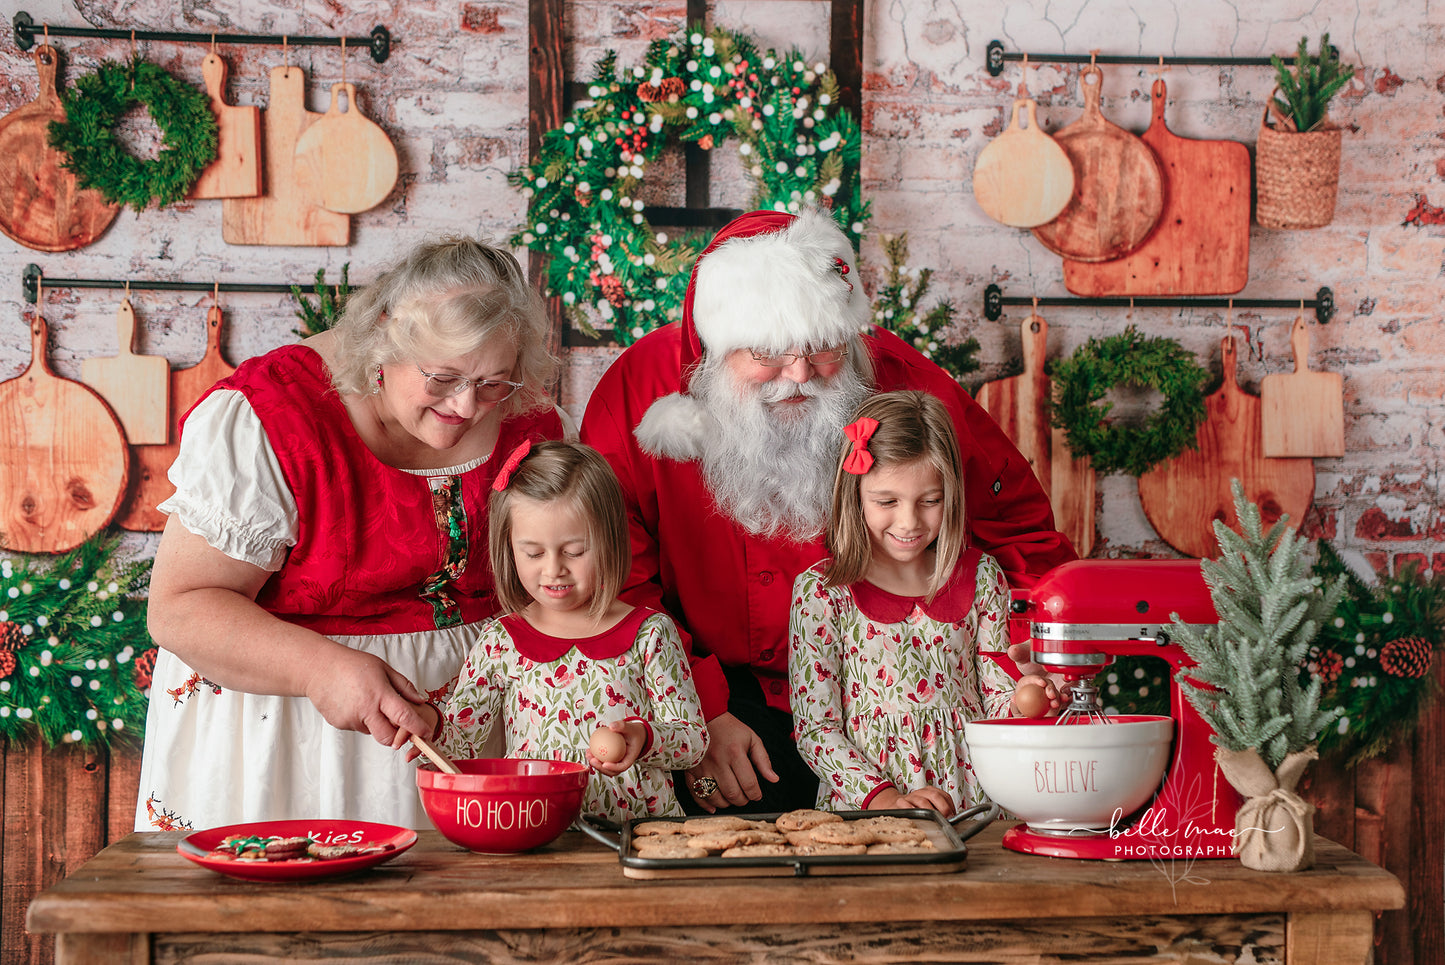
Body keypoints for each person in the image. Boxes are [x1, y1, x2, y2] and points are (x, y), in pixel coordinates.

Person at [579, 207, 1076, 816]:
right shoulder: (635, 393)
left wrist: (1035, 671)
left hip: (886, 707)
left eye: (821, 349)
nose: (798, 376)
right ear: (714, 345)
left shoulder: (906, 385)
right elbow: (608, 578)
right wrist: (696, 709)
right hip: (711, 692)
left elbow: (1020, 533)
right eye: (765, 354)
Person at [136, 236, 568, 831]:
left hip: (471, 732)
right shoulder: (274, 415)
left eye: (494, 383)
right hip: (289, 738)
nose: (468, 406)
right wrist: (322, 669)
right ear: (387, 337)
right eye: (442, 377)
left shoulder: (527, 419)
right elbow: (181, 609)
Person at [790, 390, 1057, 816]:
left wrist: (1030, 694)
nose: (909, 522)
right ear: (854, 494)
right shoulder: (823, 593)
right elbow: (816, 729)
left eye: (929, 501)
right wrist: (888, 800)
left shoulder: (982, 576)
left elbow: (997, 697)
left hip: (976, 804)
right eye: (887, 501)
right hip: (869, 811)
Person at [428, 440, 709, 823]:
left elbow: (692, 742)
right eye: (533, 553)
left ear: (610, 540)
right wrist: (426, 723)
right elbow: (462, 742)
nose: (554, 569)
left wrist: (643, 737)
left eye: (574, 551)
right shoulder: (502, 641)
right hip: (536, 833)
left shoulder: (649, 634)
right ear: (509, 549)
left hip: (639, 834)